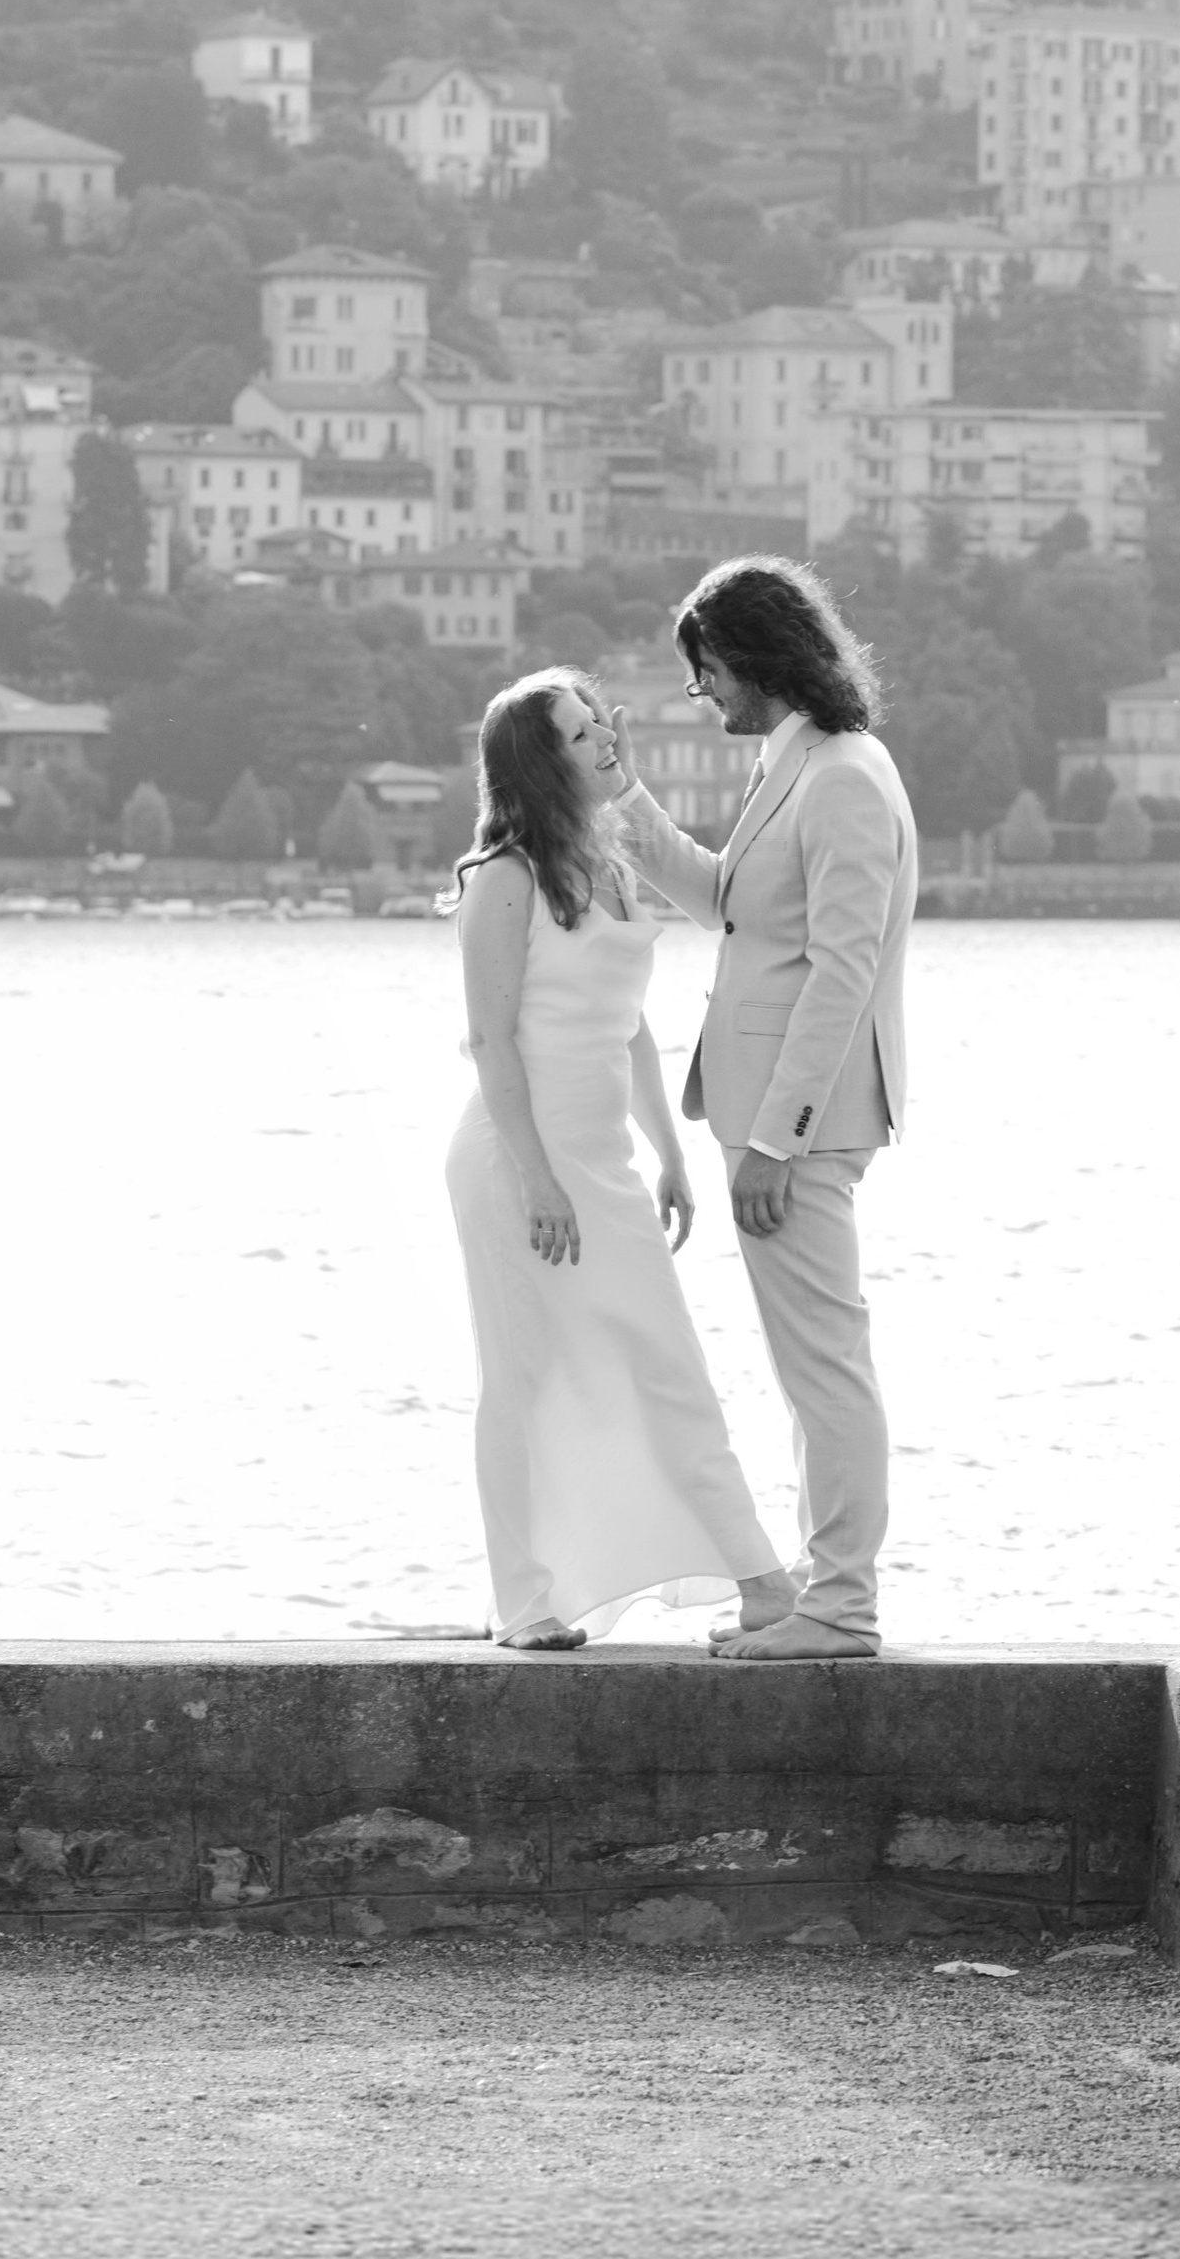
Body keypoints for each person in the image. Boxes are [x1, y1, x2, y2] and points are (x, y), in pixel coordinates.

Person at [442, 667, 792, 1651]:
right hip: (513, 1158)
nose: (604, 734)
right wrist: (538, 1176)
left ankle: (759, 1578)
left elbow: (629, 1026)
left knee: (665, 1362)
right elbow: (491, 1039)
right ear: (538, 762)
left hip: (603, 1158)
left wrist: (668, 1152)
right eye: (580, 728)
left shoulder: (609, 861)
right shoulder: (501, 879)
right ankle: (525, 1603)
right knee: (522, 1378)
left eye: (601, 717)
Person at [613, 556, 914, 1663]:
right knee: (811, 1365)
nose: (708, 699)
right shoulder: (806, 761)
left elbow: (840, 971)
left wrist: (774, 1141)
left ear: (747, 657)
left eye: (706, 677)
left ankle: (839, 1606)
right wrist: (626, 807)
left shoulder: (838, 775)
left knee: (824, 1366)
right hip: (787, 1117)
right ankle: (824, 1591)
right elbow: (732, 909)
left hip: (806, 1126)